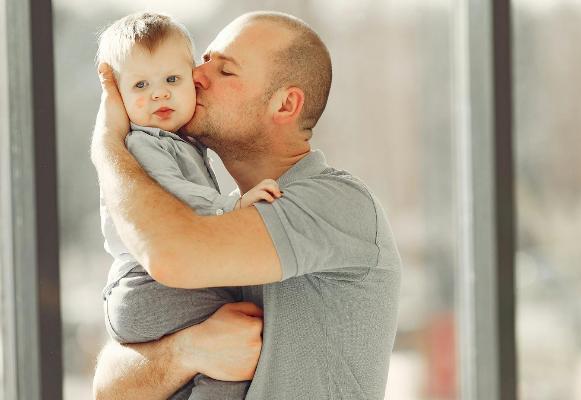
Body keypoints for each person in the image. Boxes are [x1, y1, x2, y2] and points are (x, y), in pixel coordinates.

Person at [91, 10, 402, 400]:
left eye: (225, 71)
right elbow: (108, 387)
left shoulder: (339, 205)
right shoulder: (221, 217)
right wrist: (186, 353)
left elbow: (168, 255)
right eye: (203, 61)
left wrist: (109, 145)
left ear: (285, 105)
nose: (196, 76)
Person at [95, 12, 281, 399]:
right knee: (236, 350)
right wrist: (232, 207)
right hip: (149, 286)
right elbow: (173, 194)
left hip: (151, 290)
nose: (159, 93)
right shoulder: (144, 145)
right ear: (117, 96)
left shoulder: (182, 143)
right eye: (141, 84)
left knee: (196, 372)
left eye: (172, 80)